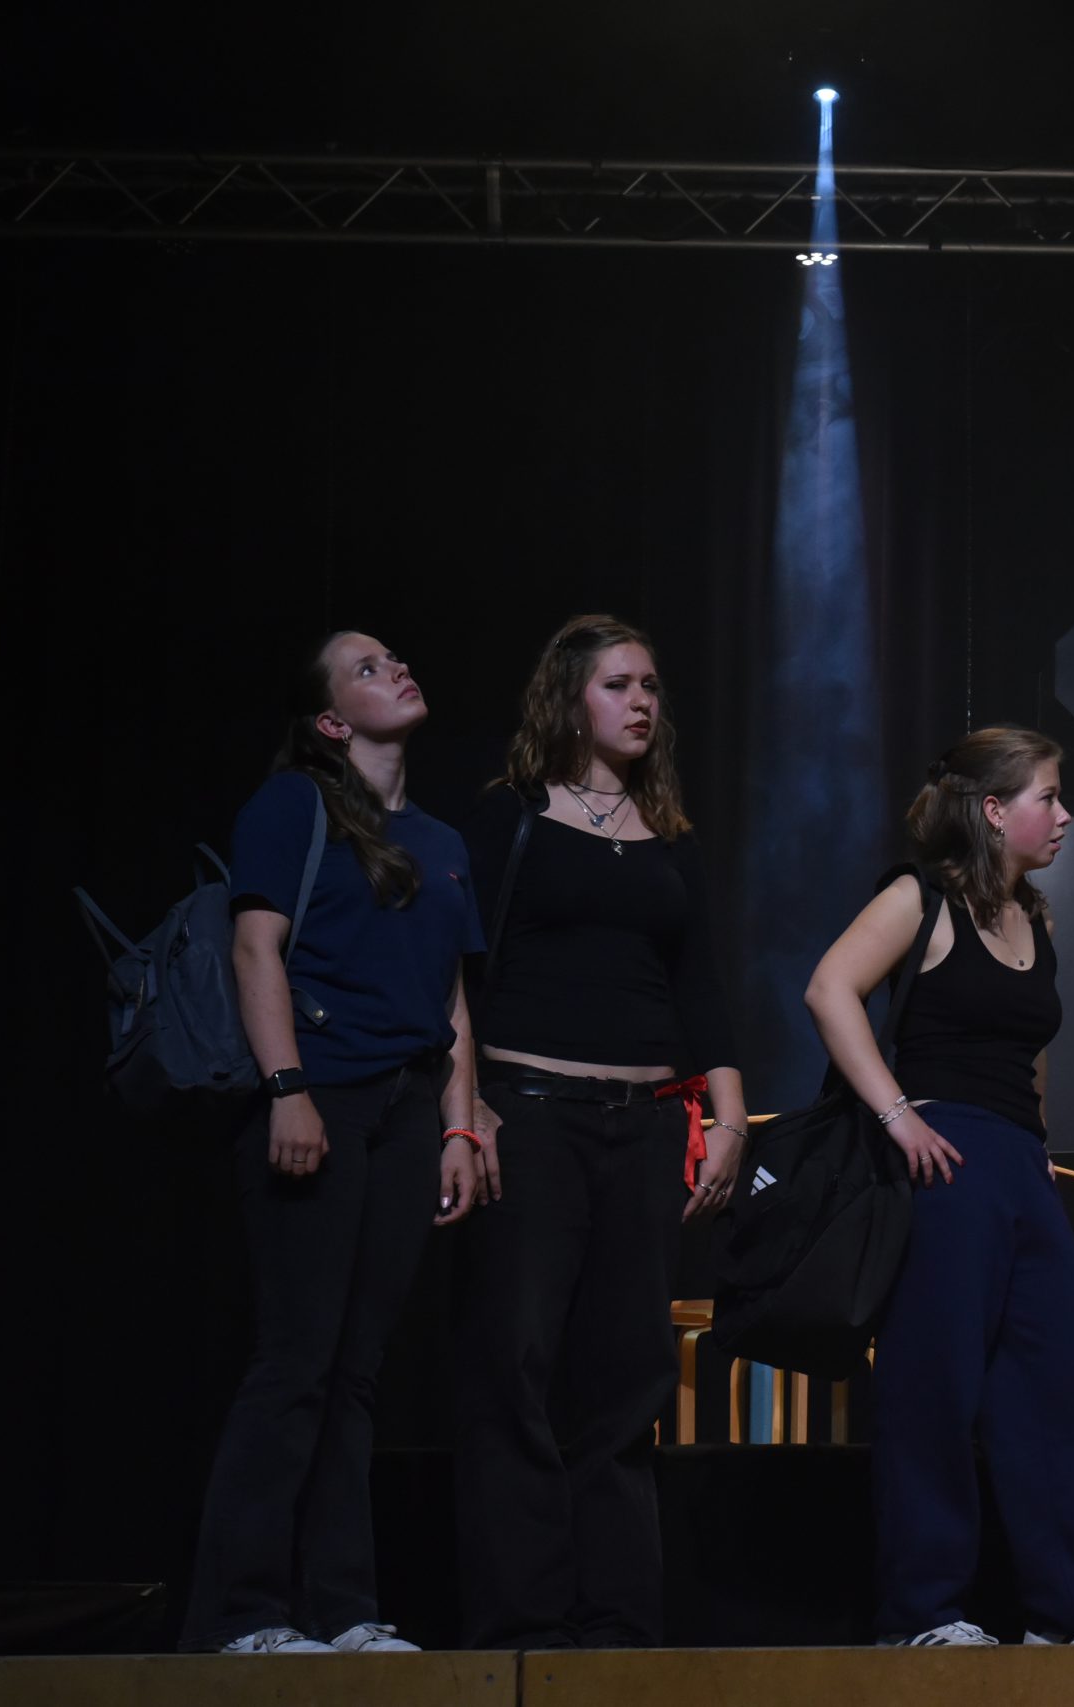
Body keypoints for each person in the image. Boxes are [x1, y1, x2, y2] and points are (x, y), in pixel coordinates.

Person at [182, 632, 484, 1656]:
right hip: (321, 1095)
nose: (395, 668)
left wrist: (459, 1122)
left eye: (394, 657)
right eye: (365, 669)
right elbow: (253, 947)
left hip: (407, 1113)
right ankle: (245, 1614)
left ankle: (343, 1609)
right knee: (296, 1362)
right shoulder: (293, 805)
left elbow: (452, 999)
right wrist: (288, 1089)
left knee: (357, 1371)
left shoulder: (441, 840)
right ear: (329, 721)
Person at [453, 614, 749, 1650]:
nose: (642, 702)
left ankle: (618, 1628)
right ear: (569, 698)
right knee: (518, 1366)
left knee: (627, 1378)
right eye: (619, 684)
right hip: (531, 1115)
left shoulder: (669, 832)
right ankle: (522, 1626)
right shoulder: (510, 815)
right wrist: (464, 1109)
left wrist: (728, 1115)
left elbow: (700, 984)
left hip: (644, 1127)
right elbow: (459, 977)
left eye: (652, 686)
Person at [803, 727, 1074, 1648]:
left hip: (1018, 1166)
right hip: (941, 1163)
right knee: (933, 1385)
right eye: (1048, 797)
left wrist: (1037, 1146)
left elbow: (1029, 1055)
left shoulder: (1037, 917)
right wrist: (897, 1114)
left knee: (1066, 1382)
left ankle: (1069, 1616)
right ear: (993, 809)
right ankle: (923, 1612)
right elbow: (830, 989)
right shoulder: (921, 896)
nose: (1064, 815)